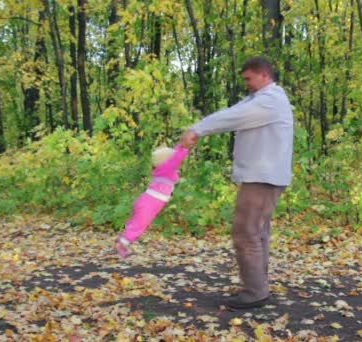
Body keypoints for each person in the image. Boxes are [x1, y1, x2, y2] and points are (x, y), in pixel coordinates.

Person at [181, 56, 294, 310]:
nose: (246, 83)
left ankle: (255, 292)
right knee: (257, 232)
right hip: (262, 176)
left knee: (246, 232)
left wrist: (197, 129)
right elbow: (234, 113)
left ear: (264, 75)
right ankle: (258, 287)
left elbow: (234, 117)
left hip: (262, 178)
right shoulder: (260, 98)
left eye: (248, 78)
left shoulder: (270, 100)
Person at [115, 144, 189, 258]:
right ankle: (122, 244)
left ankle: (123, 238)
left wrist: (180, 146)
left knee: (136, 222)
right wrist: (184, 147)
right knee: (139, 225)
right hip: (149, 203)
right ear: (166, 161)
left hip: (146, 201)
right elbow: (177, 158)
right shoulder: (166, 169)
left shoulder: (163, 169)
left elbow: (174, 158)